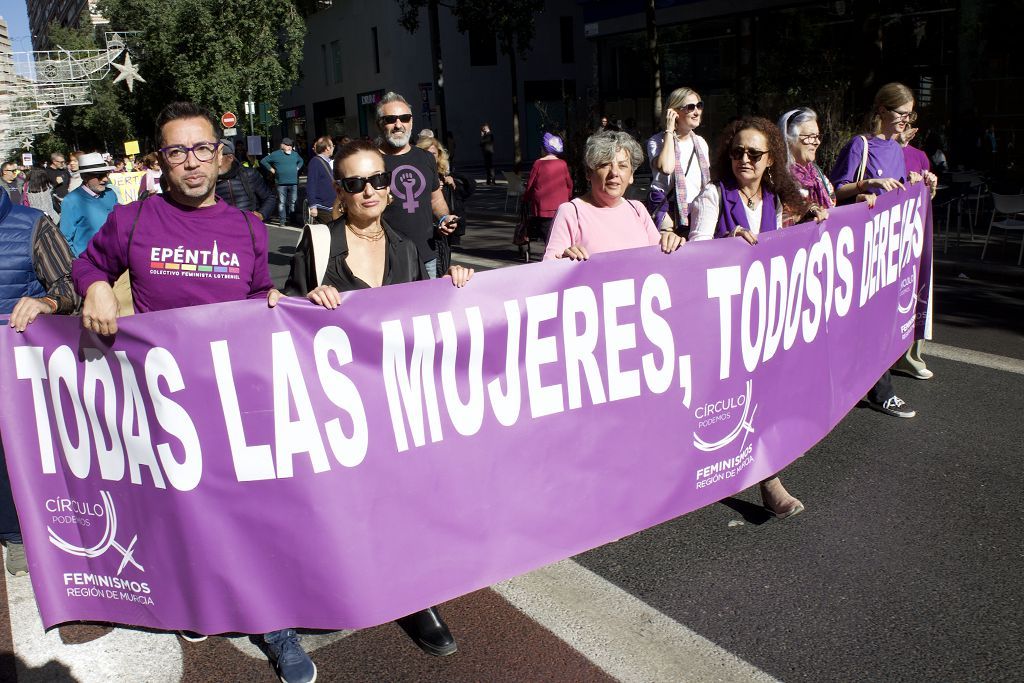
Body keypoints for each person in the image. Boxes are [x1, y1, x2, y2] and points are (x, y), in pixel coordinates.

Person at [71, 101, 316, 683]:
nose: (191, 162)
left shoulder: (247, 226)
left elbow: (262, 298)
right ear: (160, 161)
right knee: (186, 514)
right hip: (168, 406)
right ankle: (200, 600)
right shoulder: (131, 220)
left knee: (258, 514)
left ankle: (275, 623)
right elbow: (86, 265)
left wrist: (274, 304)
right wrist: (96, 285)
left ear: (221, 156)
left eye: (201, 148)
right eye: (177, 152)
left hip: (239, 401)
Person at [268, 139, 470, 661]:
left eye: (378, 179)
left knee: (408, 496)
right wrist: (304, 299)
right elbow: (281, 318)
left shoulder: (406, 247)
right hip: (336, 403)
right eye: (356, 183)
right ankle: (346, 584)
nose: (371, 191)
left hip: (392, 398)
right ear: (339, 190)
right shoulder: (317, 243)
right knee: (344, 504)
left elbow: (427, 314)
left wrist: (458, 283)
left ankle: (415, 597)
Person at [690, 117, 814, 518]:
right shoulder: (714, 195)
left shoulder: (775, 201)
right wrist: (727, 242)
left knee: (763, 397)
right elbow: (695, 252)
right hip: (719, 318)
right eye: (738, 151)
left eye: (754, 153)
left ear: (770, 159)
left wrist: (816, 219)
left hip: (760, 316)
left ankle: (768, 478)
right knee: (715, 403)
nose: (744, 159)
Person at [830, 82, 926, 418]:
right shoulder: (861, 145)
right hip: (858, 249)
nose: (905, 119)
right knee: (864, 321)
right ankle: (879, 391)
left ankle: (865, 387)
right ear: (882, 110)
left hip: (886, 249)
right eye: (900, 112)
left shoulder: (897, 149)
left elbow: (897, 196)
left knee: (879, 320)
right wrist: (867, 185)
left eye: (908, 114)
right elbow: (834, 191)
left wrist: (918, 185)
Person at [0, 186, 80, 577]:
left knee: (21, 450)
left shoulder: (33, 227)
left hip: (24, 368)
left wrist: (46, 303)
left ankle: (17, 535)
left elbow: (71, 285)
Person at [543, 130, 683, 261]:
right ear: (588, 173)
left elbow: (658, 256)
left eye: (622, 166)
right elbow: (549, 271)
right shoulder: (571, 212)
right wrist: (564, 260)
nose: (614, 173)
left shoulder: (637, 209)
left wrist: (669, 241)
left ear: (631, 176)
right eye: (605, 165)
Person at [376, 91, 459, 279]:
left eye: (404, 118)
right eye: (391, 119)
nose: (399, 125)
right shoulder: (372, 161)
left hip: (426, 256)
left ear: (411, 122)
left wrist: (444, 218)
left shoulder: (426, 158)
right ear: (379, 124)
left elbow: (436, 199)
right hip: (385, 260)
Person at [646, 87, 712, 235]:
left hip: (696, 209)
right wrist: (669, 131)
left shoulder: (701, 142)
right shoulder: (656, 141)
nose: (697, 112)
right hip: (667, 210)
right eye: (690, 107)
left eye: (699, 106)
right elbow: (667, 168)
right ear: (674, 112)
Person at [415, 135, 474, 269]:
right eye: (426, 153)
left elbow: (467, 189)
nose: (430, 157)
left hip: (441, 230)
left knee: (442, 265)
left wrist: (451, 181)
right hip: (424, 228)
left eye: (433, 153)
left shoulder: (444, 174)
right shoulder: (416, 174)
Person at [778, 107, 837, 227]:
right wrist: (808, 212)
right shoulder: (778, 177)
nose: (817, 142)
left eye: (817, 136)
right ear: (789, 139)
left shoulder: (816, 175)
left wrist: (858, 201)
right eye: (810, 137)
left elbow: (833, 206)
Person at [521, 132, 572, 259]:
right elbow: (569, 183)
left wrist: (525, 198)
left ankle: (550, 253)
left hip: (543, 206)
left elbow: (530, 185)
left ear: (544, 148)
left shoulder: (538, 164)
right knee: (559, 231)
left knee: (546, 232)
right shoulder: (563, 164)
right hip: (560, 205)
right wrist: (568, 197)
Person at [59, 153, 118, 257]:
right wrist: (80, 262)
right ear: (85, 177)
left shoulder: (110, 194)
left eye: (106, 174)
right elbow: (65, 238)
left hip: (113, 260)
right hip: (88, 264)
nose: (105, 179)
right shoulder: (71, 201)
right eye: (99, 175)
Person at [215, 139, 276, 221]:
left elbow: (269, 197)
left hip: (249, 228)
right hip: (222, 230)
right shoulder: (209, 180)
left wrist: (261, 214)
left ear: (230, 158)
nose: (215, 162)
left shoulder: (249, 174)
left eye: (219, 157)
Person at [260, 137, 304, 225]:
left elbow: (301, 161)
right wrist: (271, 169)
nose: (290, 147)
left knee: (293, 202)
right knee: (282, 202)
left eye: (291, 145)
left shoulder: (295, 154)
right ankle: (282, 220)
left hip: (293, 183)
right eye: (287, 145)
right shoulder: (275, 154)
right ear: (282, 146)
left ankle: (293, 220)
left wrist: (297, 168)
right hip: (281, 183)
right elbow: (263, 161)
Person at [305, 135, 336, 224]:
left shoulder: (329, 162)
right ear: (327, 148)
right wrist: (312, 206)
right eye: (332, 146)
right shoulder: (315, 162)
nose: (333, 148)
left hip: (331, 206)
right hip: (322, 207)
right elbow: (311, 184)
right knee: (329, 232)